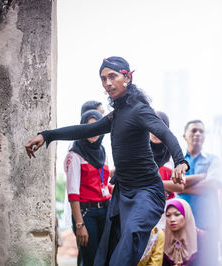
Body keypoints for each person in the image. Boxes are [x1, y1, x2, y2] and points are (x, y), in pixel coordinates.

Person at [25, 56, 189, 266]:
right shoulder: (116, 115)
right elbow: (85, 130)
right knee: (111, 250)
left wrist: (180, 161)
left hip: (147, 191)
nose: (107, 83)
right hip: (123, 193)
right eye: (103, 79)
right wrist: (47, 135)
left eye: (113, 76)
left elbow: (164, 133)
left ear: (127, 77)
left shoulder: (140, 109)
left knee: (130, 237)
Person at [64, 110, 111, 266]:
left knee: (105, 258)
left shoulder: (102, 151)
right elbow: (73, 193)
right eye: (89, 127)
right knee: (91, 260)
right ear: (83, 128)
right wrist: (80, 224)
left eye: (97, 127)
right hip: (86, 214)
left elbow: (103, 182)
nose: (94, 132)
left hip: (105, 210)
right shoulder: (75, 155)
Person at [177, 120, 222, 266]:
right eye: (194, 130)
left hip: (208, 228)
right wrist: (201, 177)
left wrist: (181, 187)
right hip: (180, 230)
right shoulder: (176, 162)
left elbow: (211, 185)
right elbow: (167, 186)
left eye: (201, 131)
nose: (198, 134)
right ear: (185, 136)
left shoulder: (214, 160)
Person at [150, 111, 184, 200]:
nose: (155, 132)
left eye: (160, 127)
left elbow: (180, 186)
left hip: (168, 209)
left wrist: (153, 185)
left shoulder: (174, 154)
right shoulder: (138, 152)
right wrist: (165, 186)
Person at [163, 199, 205, 266]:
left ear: (186, 215)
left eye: (177, 215)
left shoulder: (201, 237)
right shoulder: (162, 238)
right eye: (168, 215)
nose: (172, 219)